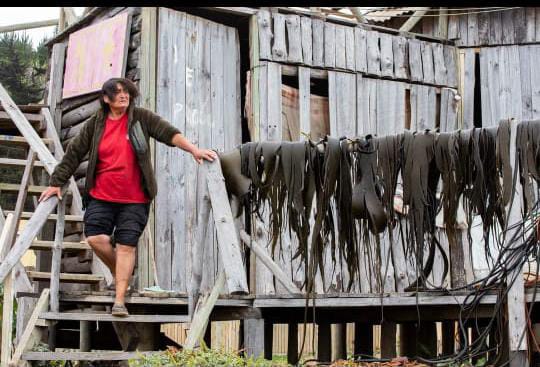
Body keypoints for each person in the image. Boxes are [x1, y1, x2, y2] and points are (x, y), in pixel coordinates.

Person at [39, 77, 217, 317]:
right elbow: (74, 153)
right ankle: (122, 273)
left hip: (135, 199)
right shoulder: (96, 124)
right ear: (106, 98)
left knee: (126, 246)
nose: (123, 96)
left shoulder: (141, 118)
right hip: (101, 195)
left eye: (127, 92)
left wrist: (194, 149)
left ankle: (120, 300)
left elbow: (169, 133)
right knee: (95, 238)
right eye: (118, 92)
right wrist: (56, 182)